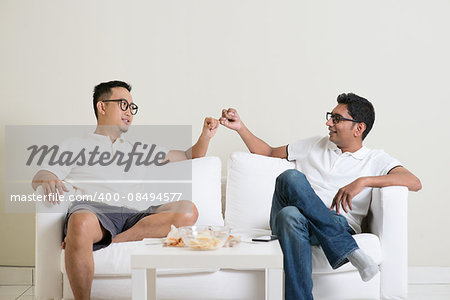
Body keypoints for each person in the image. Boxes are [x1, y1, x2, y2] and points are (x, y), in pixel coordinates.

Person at [220, 93, 421, 300]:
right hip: (294, 226)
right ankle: (350, 250)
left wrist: (363, 181)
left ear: (359, 128)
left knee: (290, 214)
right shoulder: (315, 144)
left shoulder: (375, 159)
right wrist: (240, 128)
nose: (328, 122)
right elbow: (270, 152)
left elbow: (414, 182)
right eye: (330, 116)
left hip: (334, 223)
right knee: (290, 177)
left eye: (337, 118)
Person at [31, 80, 219, 300]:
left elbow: (189, 156)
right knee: (80, 222)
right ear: (102, 107)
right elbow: (41, 175)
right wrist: (48, 180)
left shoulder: (136, 149)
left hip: (136, 215)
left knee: (188, 210)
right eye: (123, 105)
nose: (129, 112)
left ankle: (113, 240)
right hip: (96, 213)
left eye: (132, 107)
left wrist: (205, 135)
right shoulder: (74, 145)